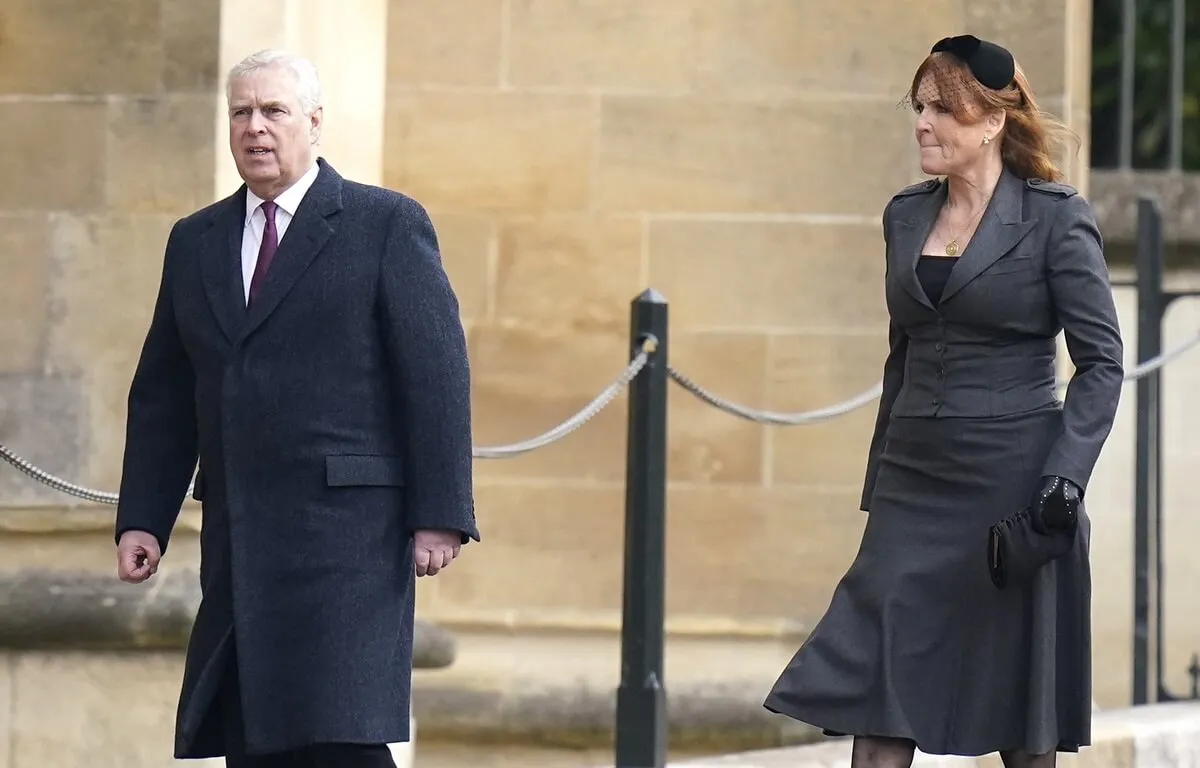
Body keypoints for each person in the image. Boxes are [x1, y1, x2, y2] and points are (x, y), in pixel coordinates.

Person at [763, 35, 1124, 768]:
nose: (924, 123)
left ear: (991, 122)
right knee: (881, 691)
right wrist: (880, 481)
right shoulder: (904, 216)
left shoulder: (1056, 218)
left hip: (1015, 485)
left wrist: (1064, 479)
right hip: (914, 487)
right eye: (920, 107)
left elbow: (1102, 362)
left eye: (944, 110)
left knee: (1020, 719)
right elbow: (904, 353)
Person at [112, 49, 479, 768]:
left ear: (313, 122)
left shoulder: (384, 223)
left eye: (274, 111)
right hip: (242, 530)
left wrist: (440, 512)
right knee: (253, 731)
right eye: (241, 112)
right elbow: (164, 392)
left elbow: (436, 377)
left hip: (349, 535)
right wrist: (143, 517)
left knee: (339, 732)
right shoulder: (195, 240)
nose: (256, 128)